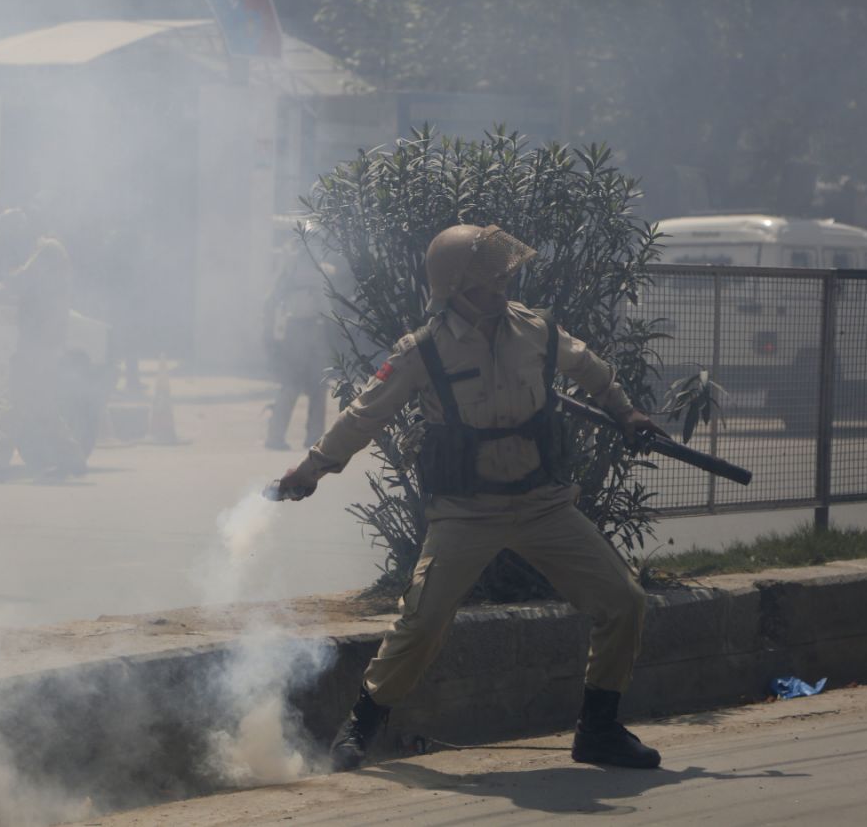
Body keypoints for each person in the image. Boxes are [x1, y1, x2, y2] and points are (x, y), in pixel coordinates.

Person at [274, 223, 668, 772]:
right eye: (488, 283)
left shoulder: (536, 330)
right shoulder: (422, 351)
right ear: (453, 288)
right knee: (423, 622)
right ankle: (362, 724)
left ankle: (599, 730)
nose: (501, 290)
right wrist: (311, 468)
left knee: (625, 602)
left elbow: (591, 370)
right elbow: (365, 414)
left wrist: (626, 412)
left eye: (504, 278)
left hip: (542, 505)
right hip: (466, 513)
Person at [0, 210, 85, 479]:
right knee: (43, 404)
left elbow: (19, 282)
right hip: (41, 339)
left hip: (40, 340)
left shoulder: (47, 250)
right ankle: (72, 458)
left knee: (13, 398)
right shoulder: (43, 252)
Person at [263, 255, 333, 450]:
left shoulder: (294, 267)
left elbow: (271, 300)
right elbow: (272, 300)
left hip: (307, 329)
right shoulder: (302, 268)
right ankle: (307, 439)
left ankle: (283, 437)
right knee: (300, 385)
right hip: (304, 329)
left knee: (306, 386)